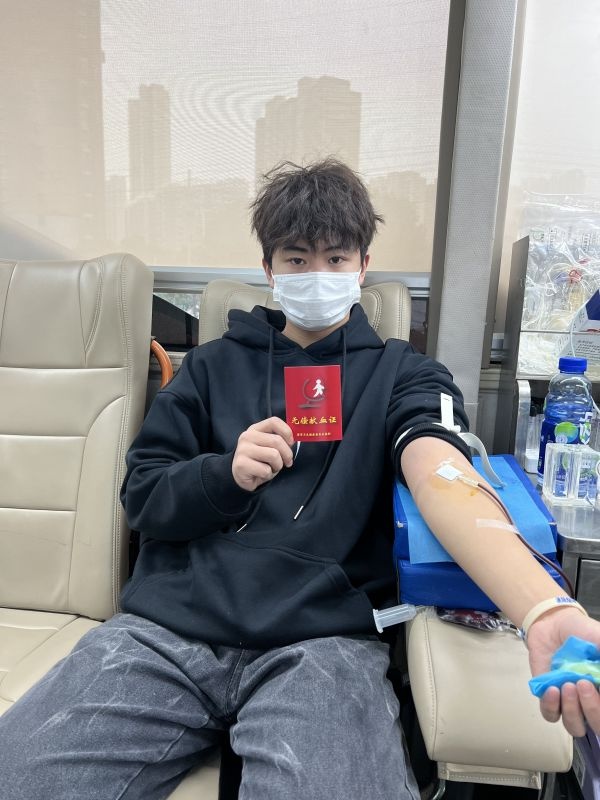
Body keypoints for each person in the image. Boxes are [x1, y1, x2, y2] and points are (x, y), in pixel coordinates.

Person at [1, 159, 599, 800]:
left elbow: (441, 473)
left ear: (363, 267)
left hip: (325, 644)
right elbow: (143, 498)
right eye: (296, 259)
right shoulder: (207, 368)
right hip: (166, 633)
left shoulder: (404, 374)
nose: (318, 274)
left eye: (336, 259)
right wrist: (224, 475)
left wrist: (542, 605)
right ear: (268, 269)